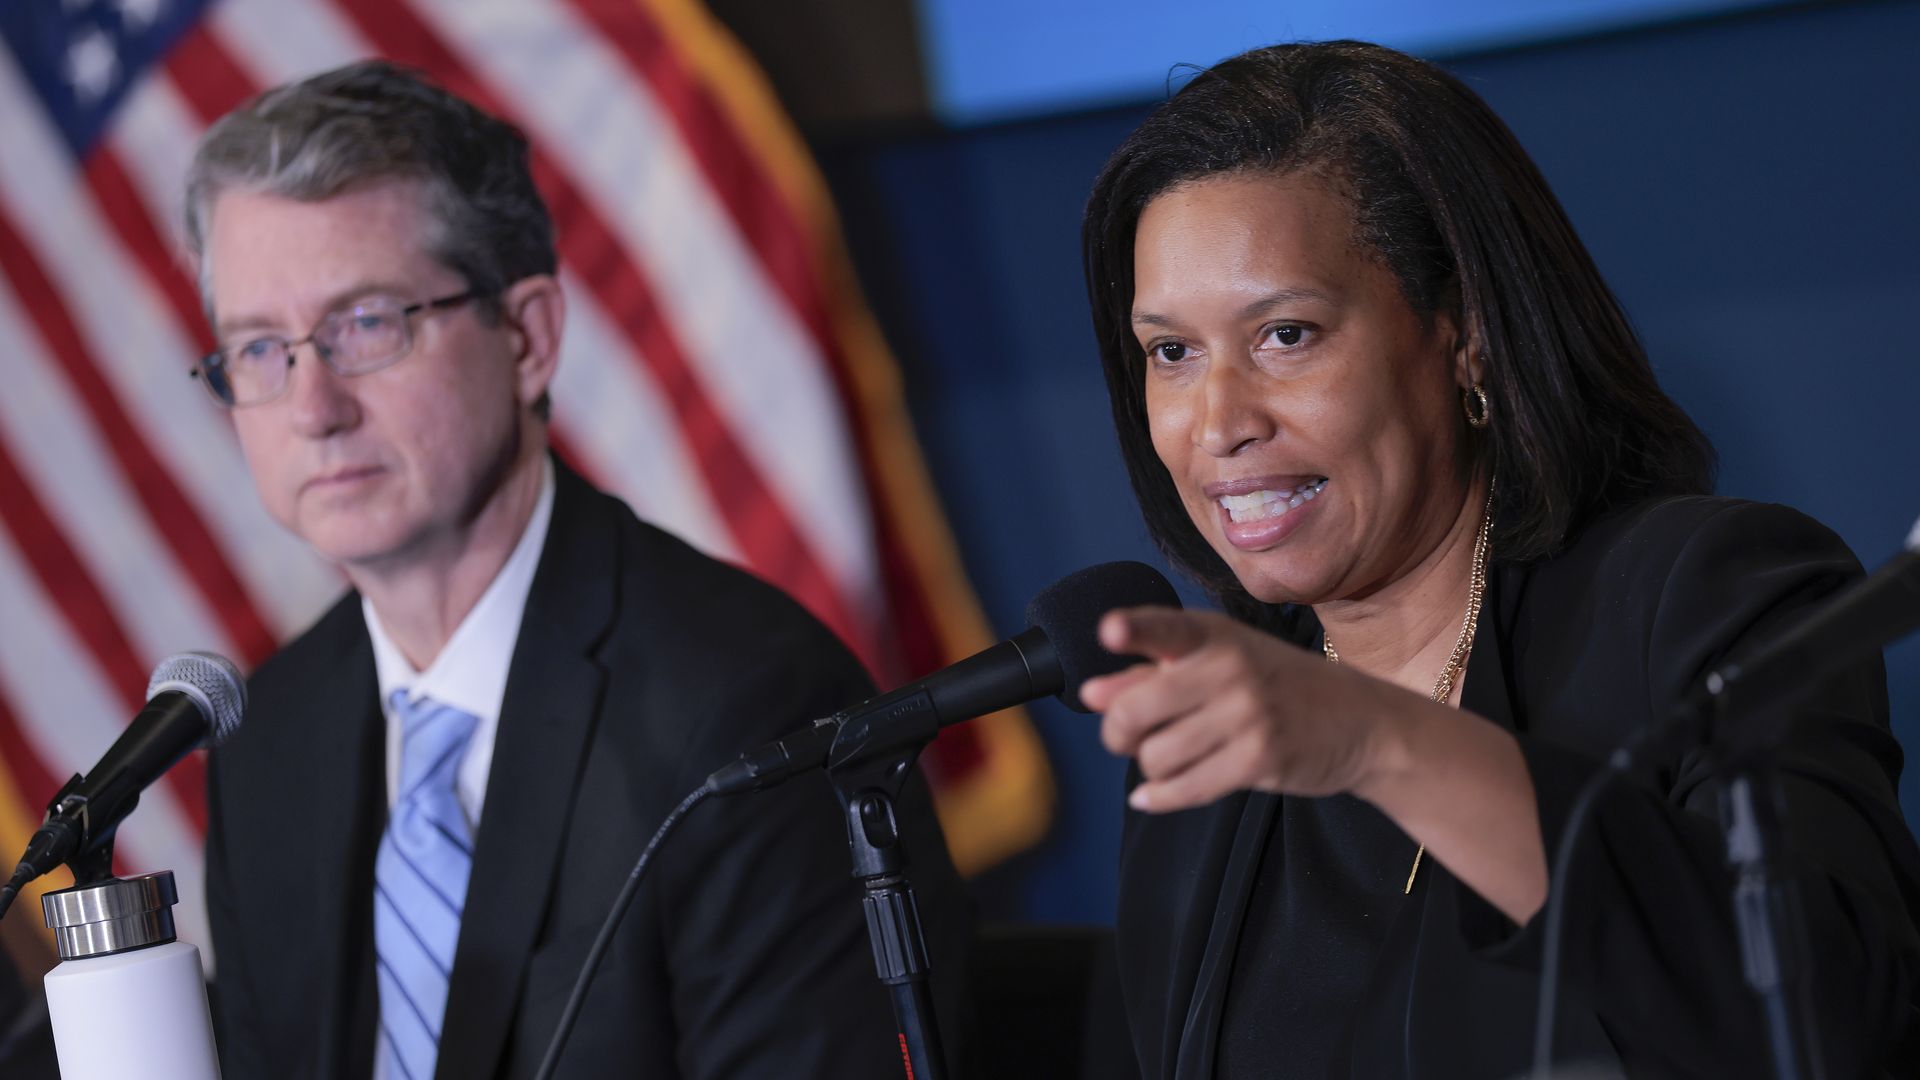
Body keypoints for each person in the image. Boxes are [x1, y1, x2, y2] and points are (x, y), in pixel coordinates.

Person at [1076, 40, 1920, 1078]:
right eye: (1171, 352)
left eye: (1287, 335)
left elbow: (1834, 1024)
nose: (1219, 423)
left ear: (1466, 333)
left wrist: (1381, 742)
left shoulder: (1705, 597)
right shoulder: (1209, 726)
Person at [184, 61, 970, 1079]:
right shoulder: (269, 738)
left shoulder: (748, 709)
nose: (312, 408)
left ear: (528, 339)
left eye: (366, 326)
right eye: (259, 349)